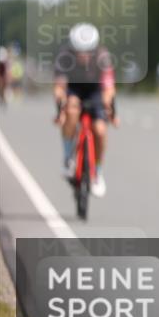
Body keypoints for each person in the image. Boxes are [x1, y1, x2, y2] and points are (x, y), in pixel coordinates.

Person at [53, 23, 117, 197]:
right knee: (72, 110)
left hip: (95, 91)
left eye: (88, 51)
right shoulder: (64, 57)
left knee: (100, 131)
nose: (84, 55)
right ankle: (68, 158)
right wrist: (61, 106)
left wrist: (108, 104)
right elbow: (59, 87)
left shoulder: (103, 57)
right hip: (74, 89)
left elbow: (109, 88)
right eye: (79, 51)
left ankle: (98, 172)